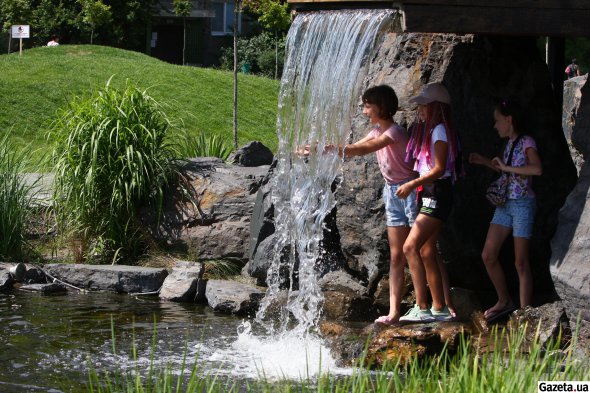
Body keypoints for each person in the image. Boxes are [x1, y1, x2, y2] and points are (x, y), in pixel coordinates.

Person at [301, 85, 418, 325]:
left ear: (381, 107)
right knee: (397, 256)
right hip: (392, 192)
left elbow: (362, 149)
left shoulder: (394, 132)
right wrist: (319, 150)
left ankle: (429, 305)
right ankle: (395, 312)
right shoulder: (377, 131)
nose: (364, 111)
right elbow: (352, 150)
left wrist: (325, 148)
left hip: (410, 189)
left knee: (420, 251)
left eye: (367, 106)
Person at [468, 99, 542, 321]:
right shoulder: (509, 143)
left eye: (497, 121)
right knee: (488, 255)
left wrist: (507, 168)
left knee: (521, 262)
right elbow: (506, 170)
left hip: (522, 205)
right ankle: (504, 300)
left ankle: (525, 313)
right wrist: (484, 161)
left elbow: (536, 169)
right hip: (505, 204)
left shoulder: (527, 141)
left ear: (509, 119)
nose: (495, 125)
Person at [395, 82, 461, 323]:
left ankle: (422, 307)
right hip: (432, 193)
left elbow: (440, 168)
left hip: (436, 193)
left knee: (409, 247)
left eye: (424, 105)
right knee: (426, 250)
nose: (420, 109)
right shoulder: (436, 130)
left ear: (435, 107)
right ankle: (439, 307)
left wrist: (412, 184)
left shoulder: (439, 131)